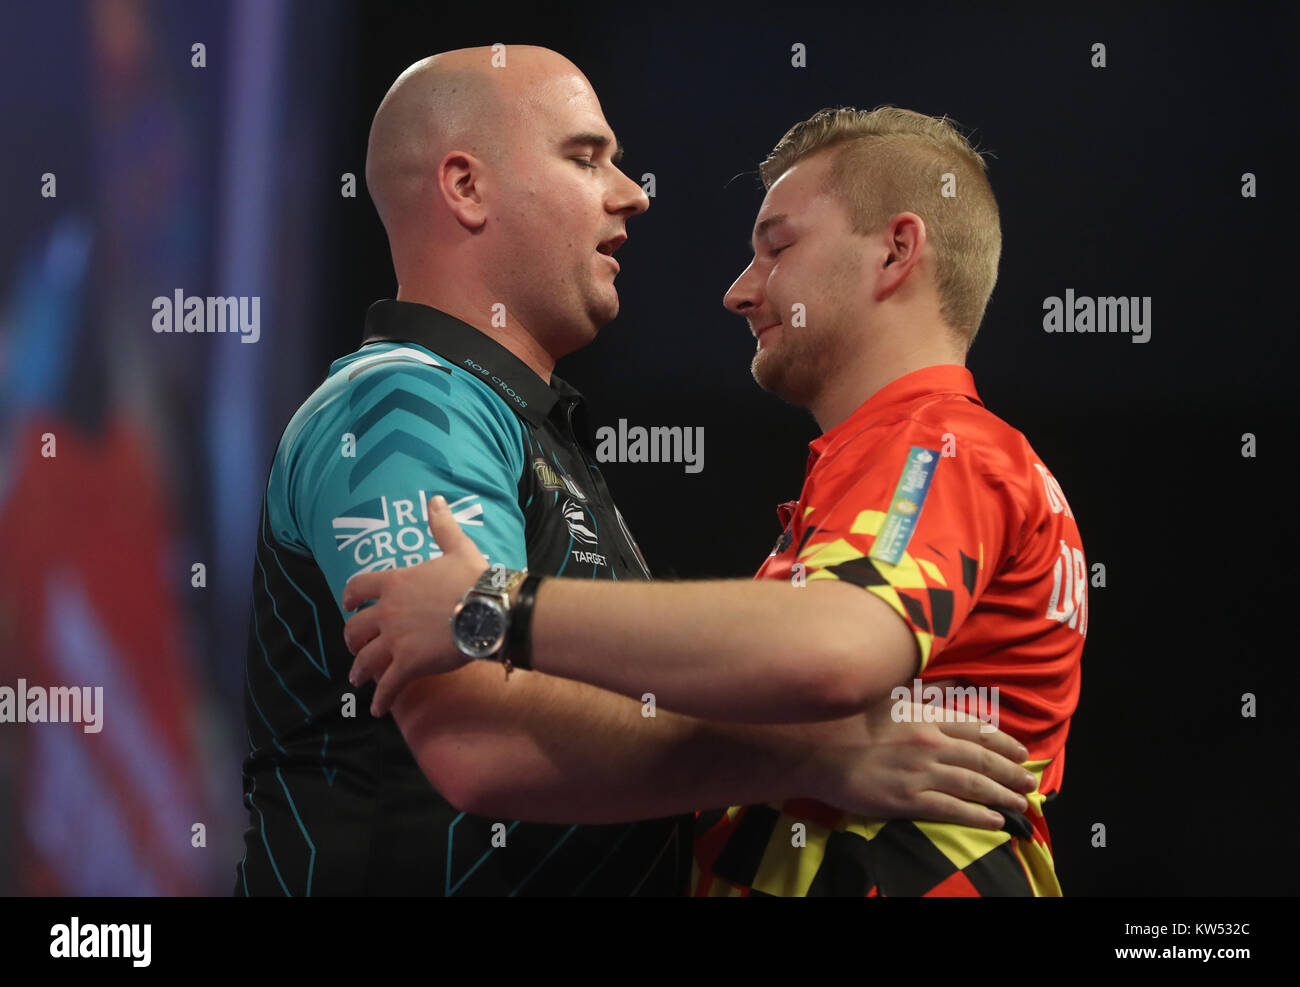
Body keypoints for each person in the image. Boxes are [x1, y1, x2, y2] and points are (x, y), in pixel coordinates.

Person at [237, 45, 1034, 896]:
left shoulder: (536, 436)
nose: (633, 192)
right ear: (466, 188)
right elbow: (480, 739)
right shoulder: (400, 404)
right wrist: (808, 755)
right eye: (586, 158)